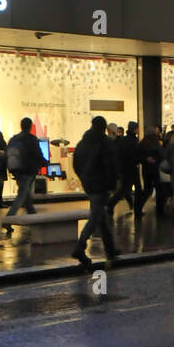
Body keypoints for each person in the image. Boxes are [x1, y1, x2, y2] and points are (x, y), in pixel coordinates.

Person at [71, 116, 118, 270]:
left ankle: (110, 249)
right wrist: (112, 184)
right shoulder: (105, 143)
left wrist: (83, 178)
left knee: (101, 217)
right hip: (101, 184)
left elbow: (75, 163)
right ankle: (79, 246)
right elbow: (111, 165)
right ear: (104, 127)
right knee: (95, 217)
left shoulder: (82, 143)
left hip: (89, 183)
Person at [3, 117, 48, 235]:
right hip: (27, 171)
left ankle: (35, 220)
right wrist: (45, 163)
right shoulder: (31, 139)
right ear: (30, 126)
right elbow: (38, 154)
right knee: (22, 196)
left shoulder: (13, 139)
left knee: (26, 197)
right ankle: (7, 219)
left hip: (16, 170)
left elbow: (7, 155)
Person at [109, 121, 139, 217]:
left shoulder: (124, 140)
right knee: (126, 189)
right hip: (130, 168)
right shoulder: (132, 140)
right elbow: (131, 155)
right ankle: (112, 204)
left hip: (125, 168)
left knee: (126, 189)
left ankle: (133, 206)